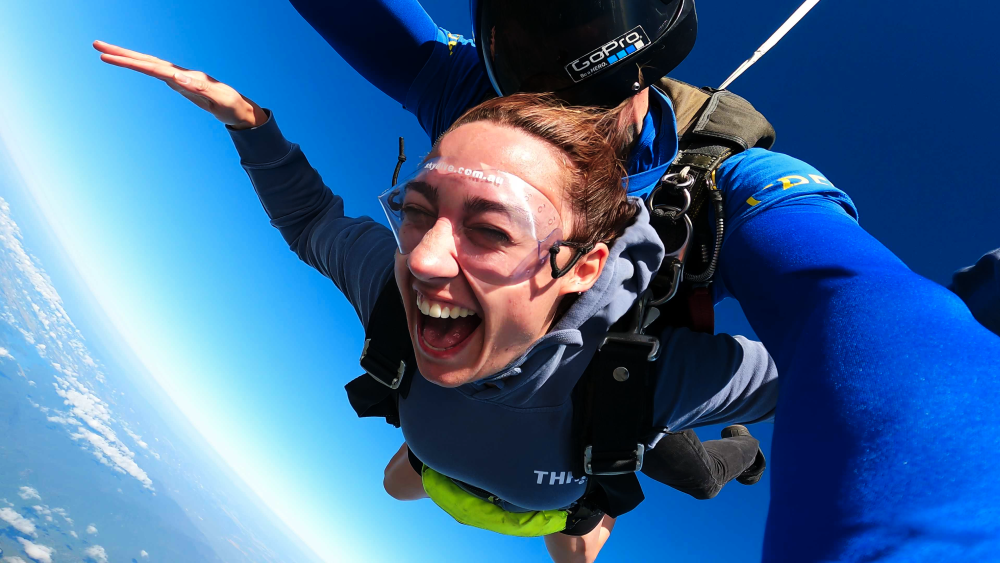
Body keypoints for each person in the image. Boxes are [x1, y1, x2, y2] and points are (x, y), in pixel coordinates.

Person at [290, 0, 1000, 561]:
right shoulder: (487, 115)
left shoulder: (718, 186)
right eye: (530, 28)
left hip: (614, 404)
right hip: (541, 411)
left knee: (663, 482)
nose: (562, 93)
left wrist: (939, 329)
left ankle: (738, 455)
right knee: (416, 477)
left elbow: (853, 310)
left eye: (598, 16)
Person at [95, 42, 785, 563]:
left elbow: (813, 378)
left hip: (576, 473)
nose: (422, 260)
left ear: (584, 265)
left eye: (489, 229)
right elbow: (313, 226)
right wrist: (250, 123)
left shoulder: (649, 378)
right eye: (418, 211)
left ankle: (740, 456)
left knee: (678, 487)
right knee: (403, 480)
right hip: (478, 464)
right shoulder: (397, 295)